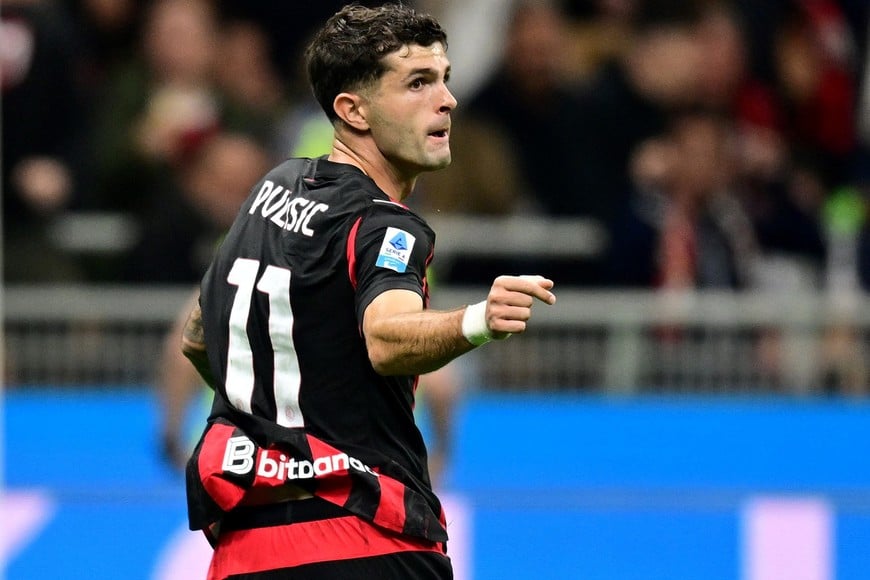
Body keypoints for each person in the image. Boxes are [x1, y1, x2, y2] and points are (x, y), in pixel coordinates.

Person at [179, 5, 556, 579]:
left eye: (445, 78)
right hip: (366, 542)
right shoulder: (386, 225)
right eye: (418, 83)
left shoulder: (271, 190)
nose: (447, 100)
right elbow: (386, 337)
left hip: (245, 552)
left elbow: (200, 337)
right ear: (353, 110)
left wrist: (276, 429)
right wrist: (477, 319)